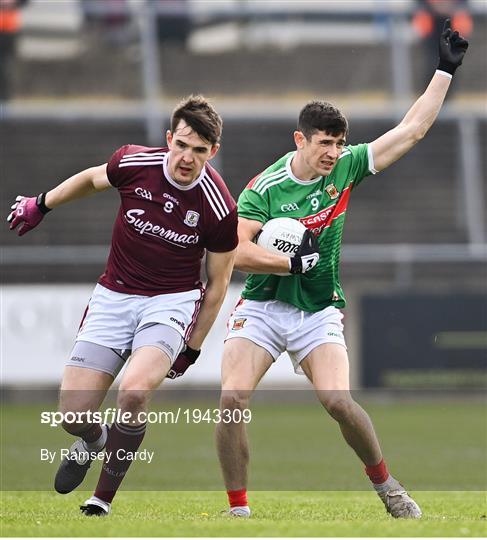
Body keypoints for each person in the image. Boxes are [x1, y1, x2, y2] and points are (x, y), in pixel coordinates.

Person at [216, 20, 468, 519]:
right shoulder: (264, 190)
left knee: (339, 403)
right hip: (264, 306)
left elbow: (410, 131)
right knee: (230, 399)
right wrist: (291, 260)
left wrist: (444, 70)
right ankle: (238, 510)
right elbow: (234, 252)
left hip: (318, 310)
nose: (333, 153)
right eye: (323, 143)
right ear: (299, 140)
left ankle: (388, 487)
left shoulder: (349, 166)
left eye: (339, 142)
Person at [8, 95, 238, 516]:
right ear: (169, 138)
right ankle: (94, 440)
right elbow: (92, 179)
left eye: (199, 150)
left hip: (169, 303)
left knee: (133, 393)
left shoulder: (219, 207)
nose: (187, 158)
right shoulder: (133, 163)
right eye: (182, 145)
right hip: (113, 297)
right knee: (73, 415)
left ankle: (101, 500)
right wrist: (42, 203)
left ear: (213, 152)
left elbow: (219, 282)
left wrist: (193, 346)